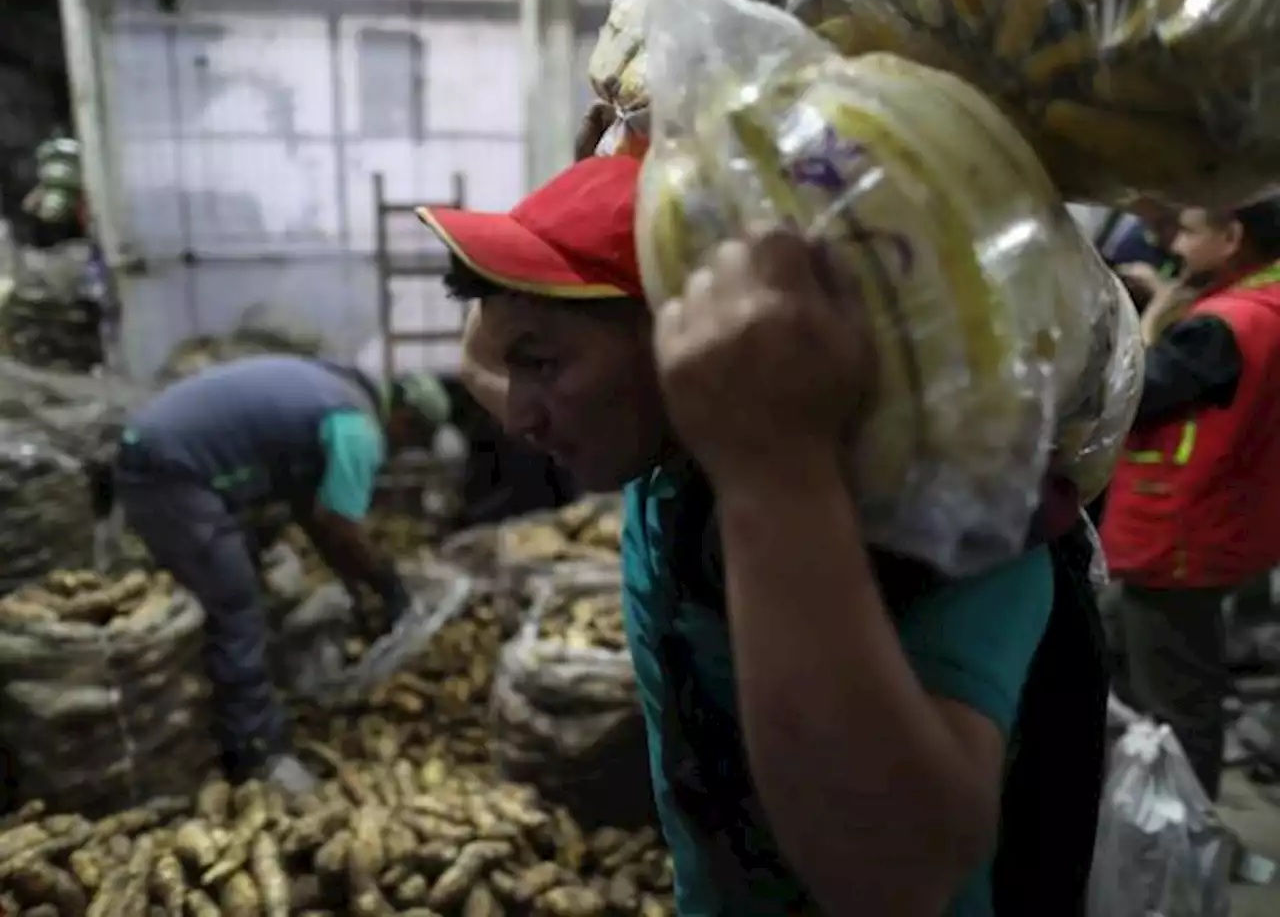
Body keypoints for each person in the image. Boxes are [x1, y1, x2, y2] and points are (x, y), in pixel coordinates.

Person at [419, 152, 1109, 916]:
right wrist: (603, 181)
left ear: (693, 336)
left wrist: (771, 471)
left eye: (542, 362)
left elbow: (896, 878)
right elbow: (483, 351)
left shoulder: (940, 524)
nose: (518, 415)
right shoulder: (668, 473)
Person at [111, 355, 451, 792]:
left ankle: (240, 702)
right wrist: (387, 584)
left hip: (162, 451)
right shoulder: (357, 427)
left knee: (244, 580)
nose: (404, 451)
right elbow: (337, 523)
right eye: (412, 440)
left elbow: (313, 517)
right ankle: (256, 753)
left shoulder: (333, 390)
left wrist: (354, 587)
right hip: (172, 473)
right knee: (235, 605)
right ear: (404, 418)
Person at [1102, 200, 1280, 800]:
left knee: (1178, 709)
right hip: (1227, 523)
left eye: (1189, 232)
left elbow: (1136, 393)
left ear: (1232, 237)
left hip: (1179, 536)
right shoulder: (1267, 303)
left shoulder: (1223, 326)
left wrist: (1152, 316)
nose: (1175, 245)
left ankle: (1180, 854)